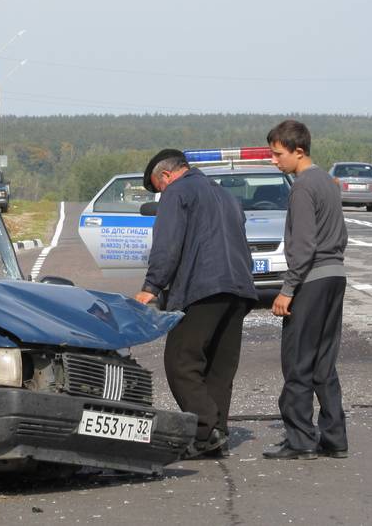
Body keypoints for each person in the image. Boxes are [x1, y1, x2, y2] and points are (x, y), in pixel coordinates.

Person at [135, 149, 258, 458]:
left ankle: (205, 427)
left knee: (181, 360)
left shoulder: (177, 193)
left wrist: (152, 286)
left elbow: (168, 243)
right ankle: (214, 437)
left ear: (166, 176)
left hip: (203, 287)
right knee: (219, 366)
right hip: (240, 288)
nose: (161, 192)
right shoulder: (224, 194)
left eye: (159, 186)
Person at [264, 120, 349, 460]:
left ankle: (300, 440)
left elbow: (303, 245)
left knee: (298, 361)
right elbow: (337, 235)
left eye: (277, 154)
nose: (274, 160)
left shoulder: (301, 187)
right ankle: (334, 438)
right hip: (335, 277)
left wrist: (287, 289)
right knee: (324, 363)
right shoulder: (327, 181)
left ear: (298, 151)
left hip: (311, 280)